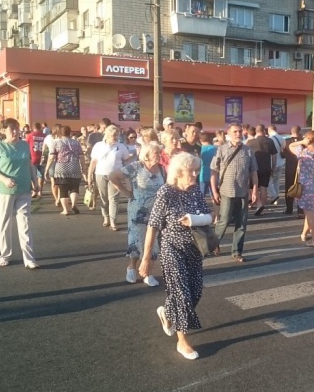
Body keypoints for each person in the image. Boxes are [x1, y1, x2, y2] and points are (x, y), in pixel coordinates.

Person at [139, 152, 212, 360]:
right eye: (192, 171)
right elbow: (153, 226)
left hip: (194, 249)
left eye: (197, 170)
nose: (196, 174)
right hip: (172, 249)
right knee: (182, 294)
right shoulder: (166, 192)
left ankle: (167, 313)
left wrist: (196, 220)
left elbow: (209, 216)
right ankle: (183, 341)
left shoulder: (196, 191)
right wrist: (146, 258)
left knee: (195, 292)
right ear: (179, 172)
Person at [110, 142, 166, 287]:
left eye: (159, 153)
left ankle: (148, 273)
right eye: (156, 153)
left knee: (153, 242)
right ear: (146, 155)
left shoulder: (162, 169)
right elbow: (113, 176)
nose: (159, 156)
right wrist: (126, 192)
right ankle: (132, 267)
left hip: (156, 211)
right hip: (137, 211)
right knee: (136, 240)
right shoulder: (136, 166)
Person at [0, 118, 39, 269]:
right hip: (5, 192)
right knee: (5, 224)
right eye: (11, 129)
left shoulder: (24, 145)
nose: (15, 131)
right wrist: (4, 179)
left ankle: (29, 258)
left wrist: (35, 182)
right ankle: (5, 255)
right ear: (3, 131)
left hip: (24, 189)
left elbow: (29, 164)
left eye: (17, 128)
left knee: (25, 224)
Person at [210, 123, 258, 262]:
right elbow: (213, 171)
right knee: (223, 221)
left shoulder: (248, 151)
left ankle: (237, 252)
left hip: (243, 192)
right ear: (229, 133)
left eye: (239, 131)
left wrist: (254, 191)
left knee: (241, 223)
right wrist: (214, 191)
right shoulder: (222, 149)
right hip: (227, 191)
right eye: (235, 132)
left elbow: (253, 172)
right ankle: (214, 244)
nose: (238, 134)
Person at [88, 125, 133, 231]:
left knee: (114, 199)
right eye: (113, 135)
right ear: (107, 135)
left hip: (115, 175)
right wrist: (89, 175)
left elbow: (126, 159)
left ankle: (113, 221)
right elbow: (93, 162)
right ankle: (106, 217)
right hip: (100, 173)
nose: (115, 137)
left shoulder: (121, 146)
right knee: (104, 198)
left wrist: (132, 157)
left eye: (117, 134)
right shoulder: (98, 146)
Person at [288, 130, 314, 246]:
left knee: (309, 214)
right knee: (310, 212)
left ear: (307, 139)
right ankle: (304, 234)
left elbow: (290, 146)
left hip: (305, 185)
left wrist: (302, 142)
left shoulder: (302, 152)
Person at [45, 125, 86, 215]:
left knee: (63, 190)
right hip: (74, 167)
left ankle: (65, 210)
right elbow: (81, 156)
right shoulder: (76, 143)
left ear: (60, 133)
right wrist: (84, 168)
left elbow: (51, 157)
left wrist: (47, 168)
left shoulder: (56, 143)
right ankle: (74, 205)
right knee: (74, 188)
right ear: (69, 132)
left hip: (61, 168)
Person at [246, 124, 277, 216]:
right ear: (264, 130)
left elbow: (247, 156)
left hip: (254, 168)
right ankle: (262, 206)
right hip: (267, 167)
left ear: (256, 131)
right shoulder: (270, 141)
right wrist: (273, 168)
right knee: (264, 187)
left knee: (253, 187)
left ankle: (258, 203)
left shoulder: (250, 142)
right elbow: (274, 156)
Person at [284, 125, 303, 216]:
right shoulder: (303, 141)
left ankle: (289, 209)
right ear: (299, 131)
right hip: (302, 168)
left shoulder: (287, 141)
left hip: (290, 167)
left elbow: (283, 154)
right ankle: (300, 210)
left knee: (289, 188)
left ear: (291, 131)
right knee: (301, 189)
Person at [42, 124, 62, 205]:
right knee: (61, 182)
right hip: (61, 161)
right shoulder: (63, 138)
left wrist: (44, 161)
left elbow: (44, 149)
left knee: (53, 181)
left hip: (52, 161)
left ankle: (56, 198)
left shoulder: (48, 138)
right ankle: (59, 199)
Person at [26, 122, 46, 197]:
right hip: (42, 157)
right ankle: (40, 191)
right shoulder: (44, 136)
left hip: (33, 157)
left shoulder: (30, 135)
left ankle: (35, 190)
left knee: (33, 175)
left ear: (33, 127)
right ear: (40, 127)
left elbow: (26, 145)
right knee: (41, 175)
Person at [267, 125, 286, 206]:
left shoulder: (270, 139)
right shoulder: (282, 138)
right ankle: (276, 197)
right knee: (276, 181)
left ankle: (274, 195)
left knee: (268, 181)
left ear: (269, 130)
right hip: (281, 161)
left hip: (272, 162)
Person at [199, 132, 217, 196]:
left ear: (200, 140)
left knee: (201, 196)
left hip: (202, 174)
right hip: (214, 174)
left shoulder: (200, 149)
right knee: (215, 195)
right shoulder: (216, 149)